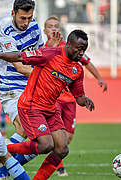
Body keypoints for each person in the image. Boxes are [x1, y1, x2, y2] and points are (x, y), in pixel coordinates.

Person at [0, 29, 95, 180]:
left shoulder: (77, 70)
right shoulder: (50, 54)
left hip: (51, 109)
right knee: (45, 145)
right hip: (31, 106)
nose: (81, 53)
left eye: (84, 50)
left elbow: (79, 97)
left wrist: (86, 100)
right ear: (69, 44)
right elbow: (19, 56)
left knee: (62, 149)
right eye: (79, 48)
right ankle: (4, 149)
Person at [43, 16, 108, 176]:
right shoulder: (43, 49)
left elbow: (86, 62)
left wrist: (99, 77)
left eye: (56, 26)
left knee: (68, 138)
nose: (53, 29)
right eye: (50, 26)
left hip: (71, 100)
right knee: (57, 138)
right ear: (44, 30)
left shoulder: (71, 48)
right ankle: (58, 167)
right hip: (54, 100)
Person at [0, 1, 44, 177]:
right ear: (13, 13)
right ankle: (2, 171)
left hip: (32, 86)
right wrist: (48, 77)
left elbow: (41, 54)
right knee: (24, 129)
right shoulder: (6, 33)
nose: (26, 22)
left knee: (46, 140)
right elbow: (20, 67)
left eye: (29, 18)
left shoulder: (35, 26)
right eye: (22, 18)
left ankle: (4, 161)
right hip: (11, 87)